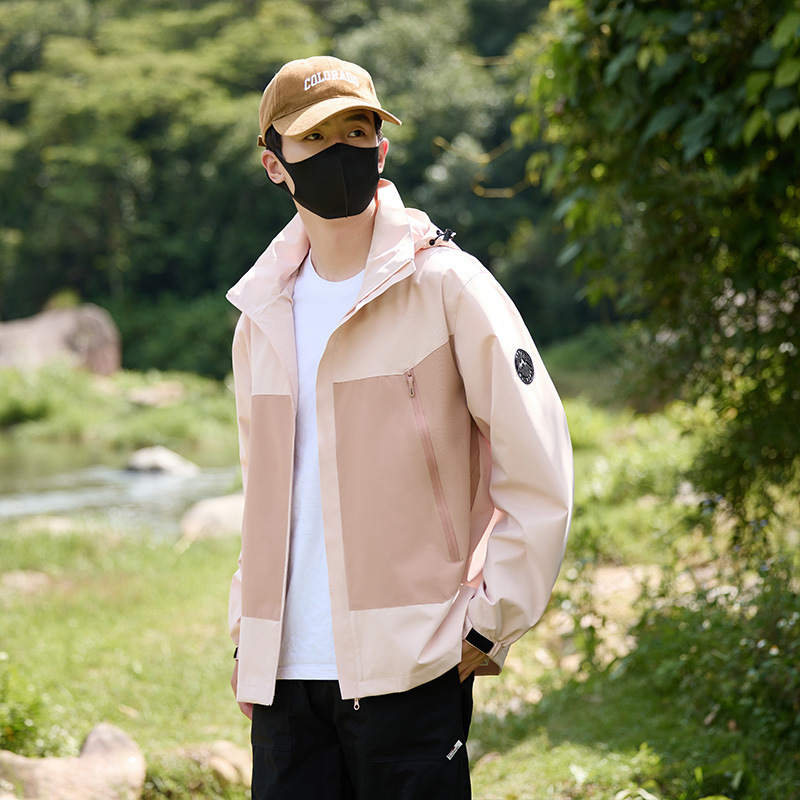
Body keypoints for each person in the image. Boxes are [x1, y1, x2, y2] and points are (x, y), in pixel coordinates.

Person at [226, 55, 574, 800]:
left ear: (381, 150)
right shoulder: (259, 316)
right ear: (275, 165)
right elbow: (263, 494)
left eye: (357, 132)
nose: (340, 151)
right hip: (284, 680)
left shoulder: (449, 285)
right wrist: (245, 631)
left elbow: (537, 462)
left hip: (414, 667)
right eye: (315, 138)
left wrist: (490, 623)